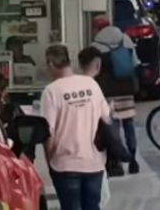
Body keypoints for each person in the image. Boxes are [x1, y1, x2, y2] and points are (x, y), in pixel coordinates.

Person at [41, 44, 111, 210]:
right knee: (93, 206)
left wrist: (49, 160)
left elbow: (47, 132)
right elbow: (106, 120)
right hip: (93, 162)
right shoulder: (91, 84)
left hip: (65, 164)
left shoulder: (51, 91)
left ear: (51, 64)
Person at [90, 15, 140, 176]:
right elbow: (134, 63)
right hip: (127, 88)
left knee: (113, 126)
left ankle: (117, 163)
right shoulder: (125, 39)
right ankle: (133, 160)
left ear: (97, 28)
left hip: (108, 91)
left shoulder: (96, 46)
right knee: (128, 124)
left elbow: (95, 71)